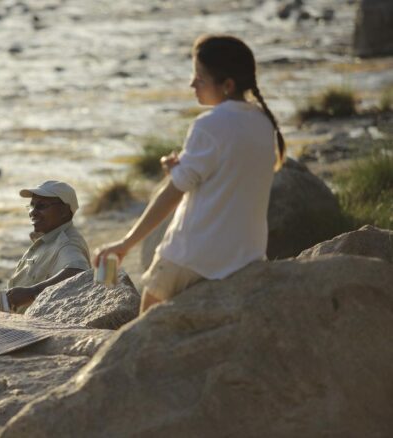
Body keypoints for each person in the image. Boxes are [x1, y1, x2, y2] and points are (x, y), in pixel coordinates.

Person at [94, 34, 286, 314]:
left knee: (144, 328)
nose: (191, 83)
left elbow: (172, 194)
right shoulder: (263, 123)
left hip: (192, 255)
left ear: (227, 85)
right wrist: (181, 170)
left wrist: (125, 244)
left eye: (200, 77)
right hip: (246, 255)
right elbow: (228, 175)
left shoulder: (209, 124)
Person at [6, 180, 91, 313]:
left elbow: (79, 273)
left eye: (41, 206)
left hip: (36, 329)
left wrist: (31, 293)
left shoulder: (67, 243)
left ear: (64, 211)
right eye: (31, 206)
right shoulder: (49, 238)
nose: (32, 212)